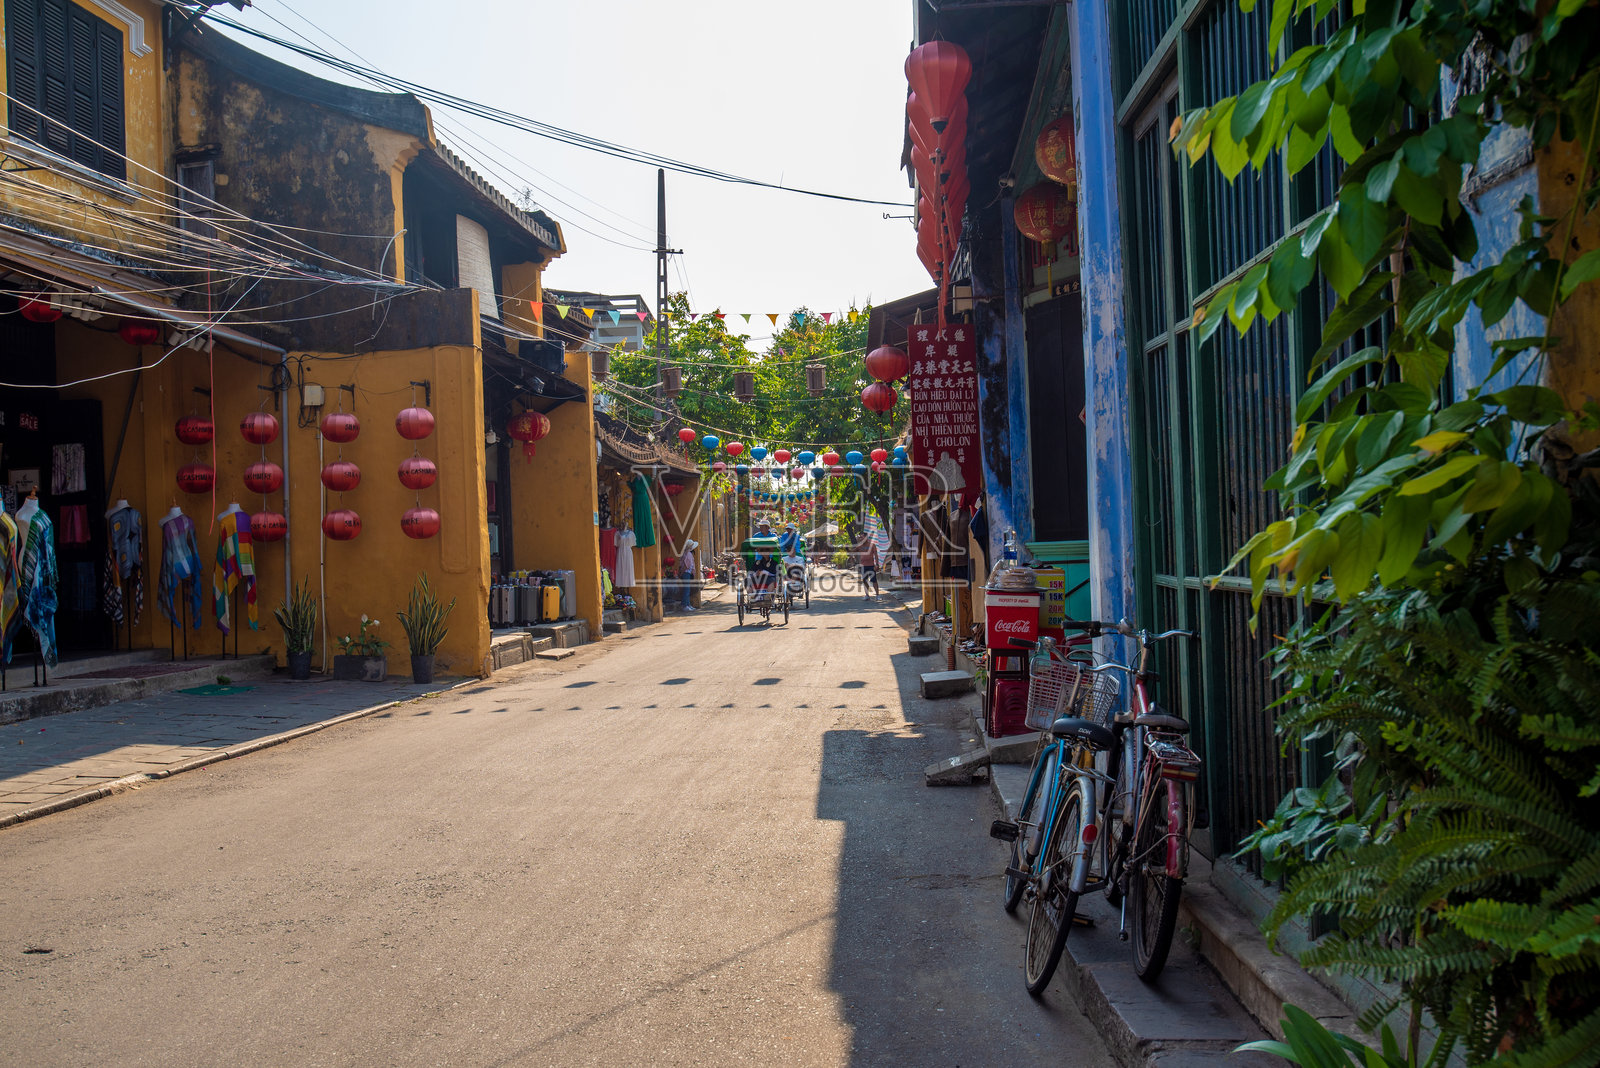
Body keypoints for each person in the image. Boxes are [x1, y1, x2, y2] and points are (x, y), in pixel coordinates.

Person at [859, 534, 881, 599]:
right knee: (864, 580)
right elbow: (852, 551)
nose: (860, 539)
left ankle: (877, 595)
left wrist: (877, 564)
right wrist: (847, 548)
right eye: (860, 537)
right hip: (863, 566)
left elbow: (876, 555)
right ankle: (867, 595)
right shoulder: (859, 546)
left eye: (861, 537)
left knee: (874, 580)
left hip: (871, 565)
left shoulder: (872, 545)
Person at [679, 539, 698, 612]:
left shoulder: (686, 553)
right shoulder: (688, 554)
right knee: (686, 590)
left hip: (687, 573)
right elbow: (687, 565)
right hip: (686, 573)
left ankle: (688, 604)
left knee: (688, 589)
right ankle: (684, 605)